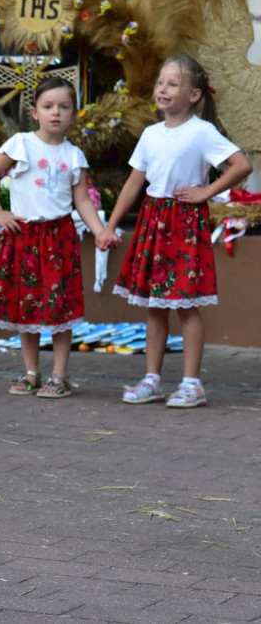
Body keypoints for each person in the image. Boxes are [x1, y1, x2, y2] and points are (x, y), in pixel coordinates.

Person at [100, 54, 251, 408]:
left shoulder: (202, 132)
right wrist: (109, 225)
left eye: (172, 83)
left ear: (194, 95)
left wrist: (206, 192)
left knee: (186, 305)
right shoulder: (151, 135)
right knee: (154, 305)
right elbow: (133, 184)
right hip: (153, 222)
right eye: (160, 83)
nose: (162, 89)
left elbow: (241, 164)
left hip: (184, 223)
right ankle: (152, 378)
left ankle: (191, 383)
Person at [0, 77, 116, 398]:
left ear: (74, 114)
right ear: (35, 112)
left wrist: (100, 231)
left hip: (59, 238)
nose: (56, 113)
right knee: (25, 306)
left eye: (64, 107)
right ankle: (31, 372)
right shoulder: (21, 143)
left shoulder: (74, 155)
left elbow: (82, 199)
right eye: (48, 106)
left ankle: (59, 375)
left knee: (59, 307)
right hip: (24, 236)